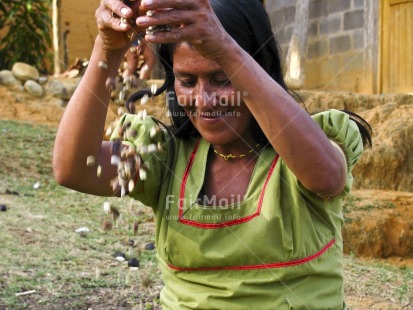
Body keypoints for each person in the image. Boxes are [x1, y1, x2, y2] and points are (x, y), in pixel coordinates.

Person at [53, 0, 372, 309]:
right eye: (187, 81)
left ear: (255, 69)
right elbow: (73, 169)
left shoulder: (304, 148)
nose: (204, 100)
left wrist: (223, 45)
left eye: (223, 79)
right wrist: (107, 49)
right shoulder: (165, 157)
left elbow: (327, 177)